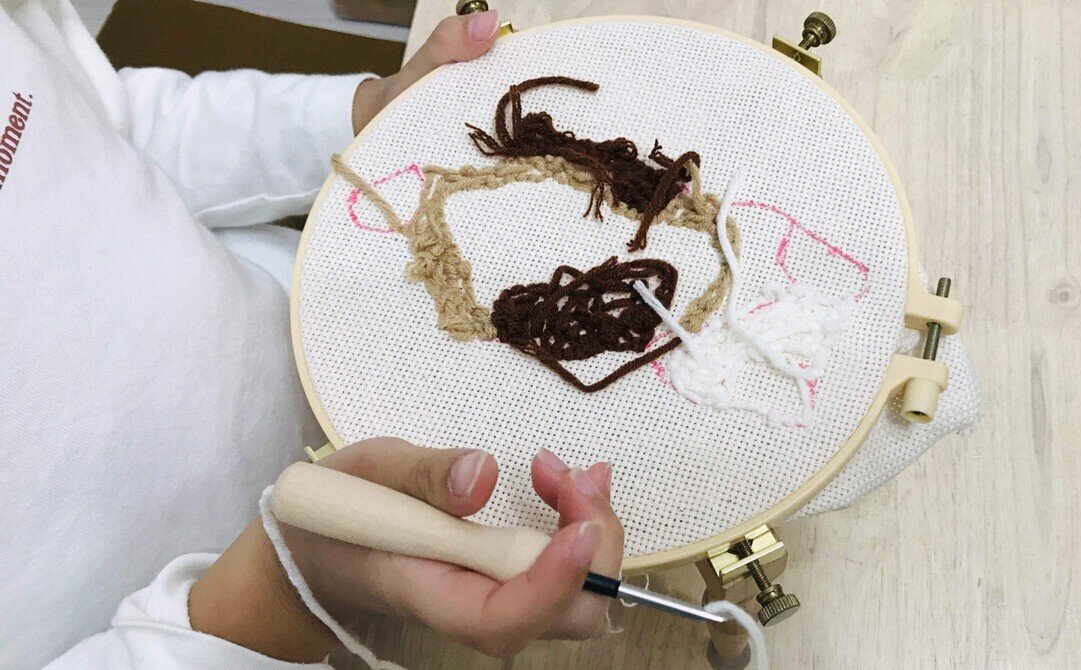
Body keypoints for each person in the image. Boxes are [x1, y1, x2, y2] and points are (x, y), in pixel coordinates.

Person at [0, 2, 624, 667]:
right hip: (240, 631)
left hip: (351, 357)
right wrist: (281, 593)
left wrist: (365, 115)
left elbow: (116, 120)